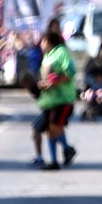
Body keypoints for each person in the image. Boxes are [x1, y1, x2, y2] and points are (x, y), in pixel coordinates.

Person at [31, 28, 78, 170]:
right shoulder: (47, 56)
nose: (41, 45)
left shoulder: (61, 52)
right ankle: (54, 161)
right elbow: (48, 77)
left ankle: (67, 148)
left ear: (48, 41)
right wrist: (43, 84)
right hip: (49, 101)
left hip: (62, 99)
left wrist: (54, 82)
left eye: (43, 41)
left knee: (54, 125)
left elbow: (70, 71)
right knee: (50, 129)